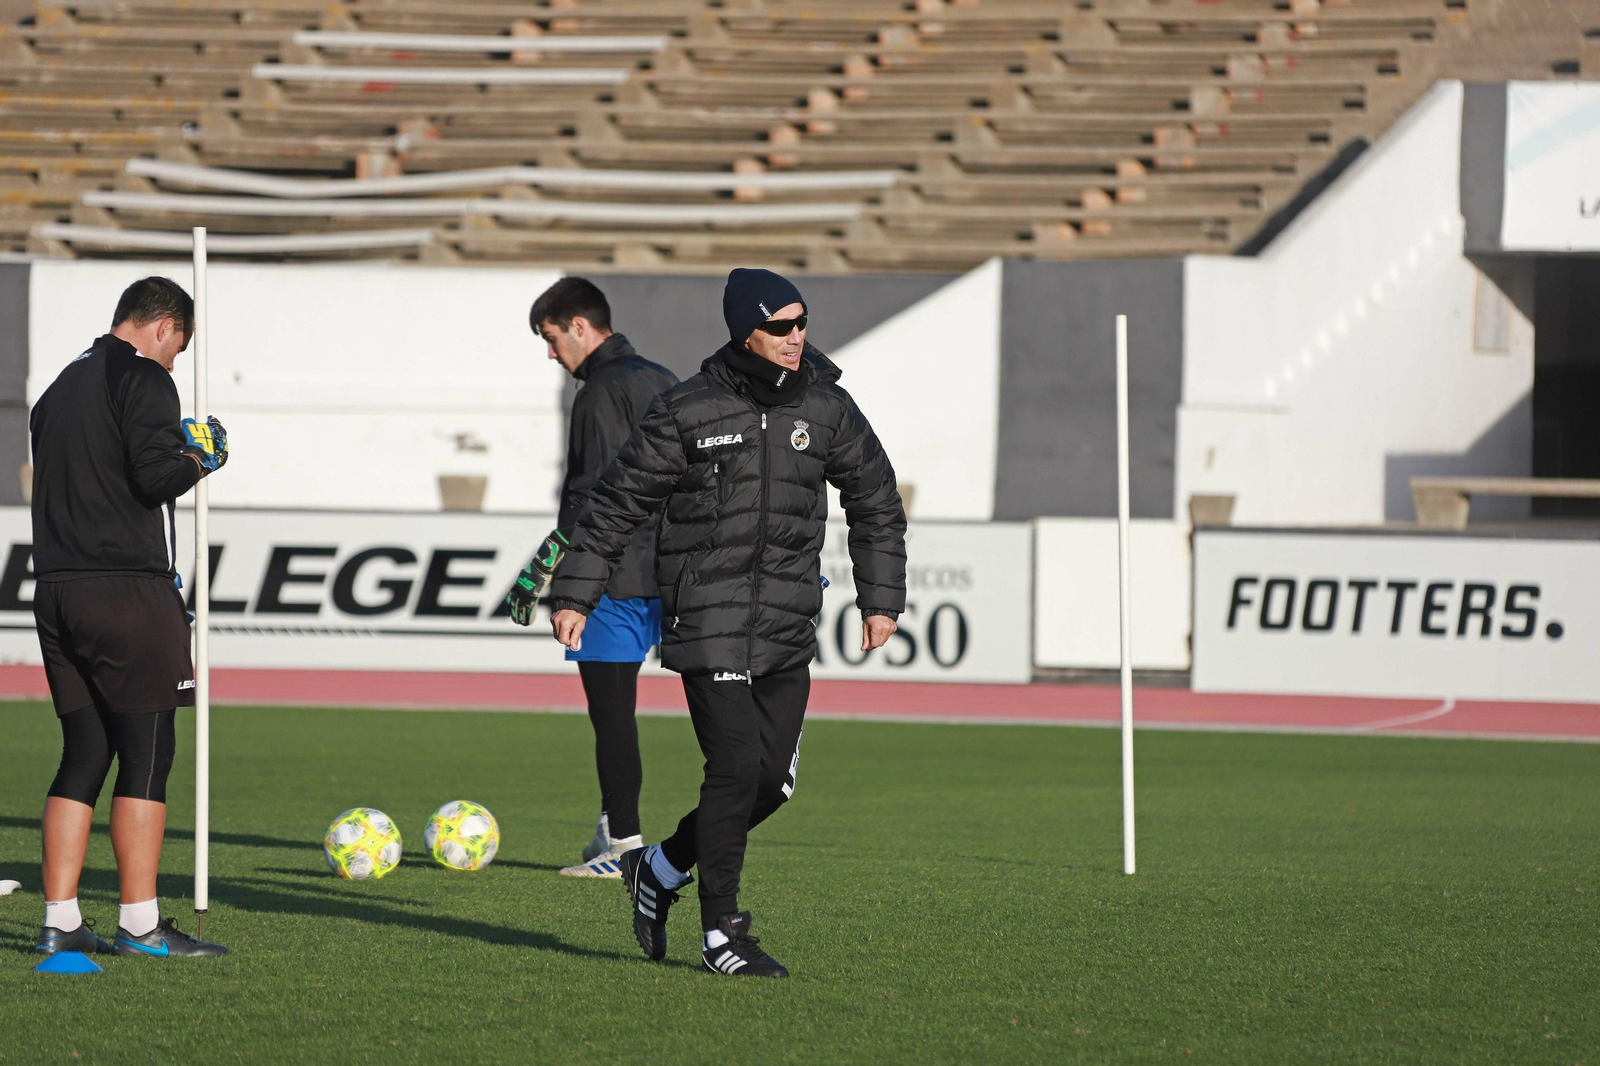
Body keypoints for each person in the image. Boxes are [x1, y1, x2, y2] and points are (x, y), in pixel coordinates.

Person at [547, 268, 907, 977]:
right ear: (747, 330)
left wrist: (881, 598)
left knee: (773, 782)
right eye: (780, 326)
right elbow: (614, 503)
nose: (795, 336)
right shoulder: (688, 409)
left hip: (786, 623)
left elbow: (876, 501)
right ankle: (723, 934)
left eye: (801, 323)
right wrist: (575, 593)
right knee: (735, 770)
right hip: (708, 617)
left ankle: (660, 868)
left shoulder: (829, 408)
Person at [31, 276, 229, 959]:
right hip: (125, 589)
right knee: (148, 752)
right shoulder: (145, 377)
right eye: (178, 350)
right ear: (165, 328)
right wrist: (201, 456)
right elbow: (153, 478)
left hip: (57, 586)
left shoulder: (59, 385)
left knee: (85, 751)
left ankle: (59, 918)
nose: (174, 363)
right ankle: (141, 924)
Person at [504, 277, 677, 878]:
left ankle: (624, 847)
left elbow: (593, 497)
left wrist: (553, 572)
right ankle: (613, 827)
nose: (551, 354)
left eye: (551, 339)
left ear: (580, 327)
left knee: (611, 713)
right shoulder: (662, 378)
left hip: (615, 575)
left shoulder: (600, 392)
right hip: (669, 569)